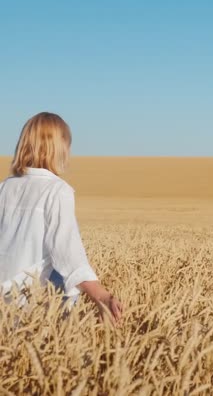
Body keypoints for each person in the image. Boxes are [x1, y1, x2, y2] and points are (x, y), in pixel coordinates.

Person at [0, 112, 122, 323]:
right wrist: (100, 295)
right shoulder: (57, 190)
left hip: (3, 298)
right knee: (64, 285)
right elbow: (67, 253)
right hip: (29, 304)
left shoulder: (4, 187)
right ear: (59, 148)